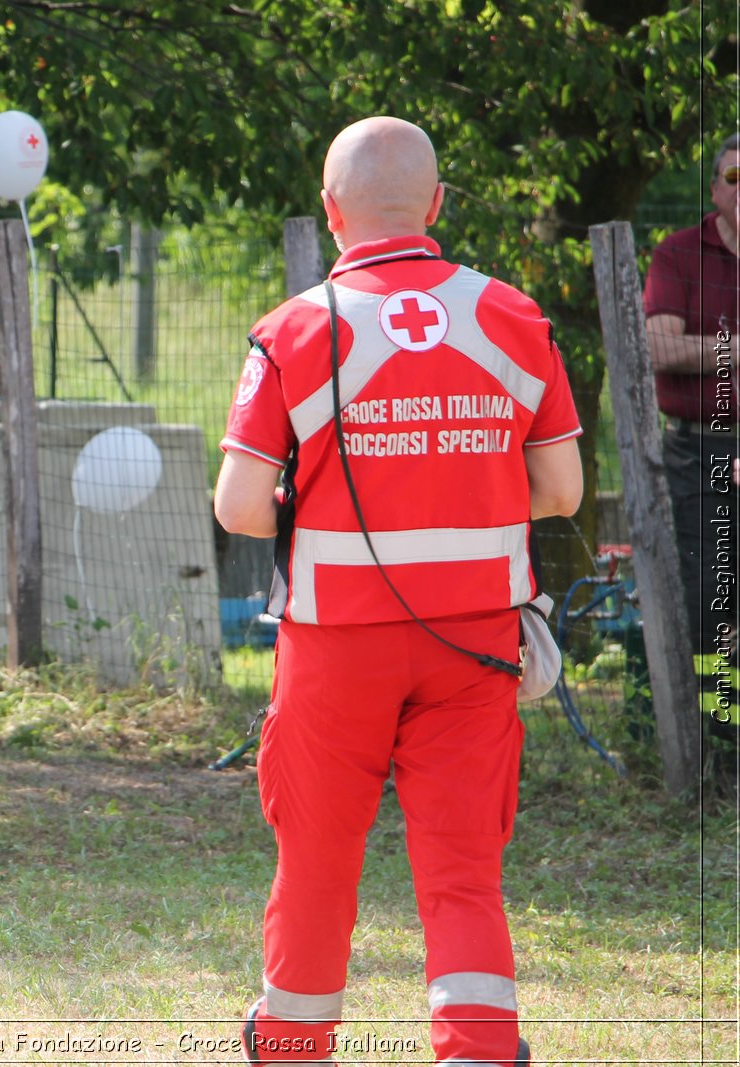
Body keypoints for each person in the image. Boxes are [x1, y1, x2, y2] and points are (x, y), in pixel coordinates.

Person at [215, 116, 583, 1066]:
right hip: (476, 642)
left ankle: (293, 1044)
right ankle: (476, 1049)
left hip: (336, 643)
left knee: (319, 860)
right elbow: (562, 491)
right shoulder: (513, 315)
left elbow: (241, 508)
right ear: (436, 205)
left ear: (331, 213)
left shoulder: (292, 329)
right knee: (463, 870)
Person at [642, 134, 740, 708]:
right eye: (733, 178)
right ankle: (723, 730)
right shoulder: (678, 254)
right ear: (714, 190)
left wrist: (706, 351)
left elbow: (683, 348)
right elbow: (658, 348)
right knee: (712, 597)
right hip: (699, 452)